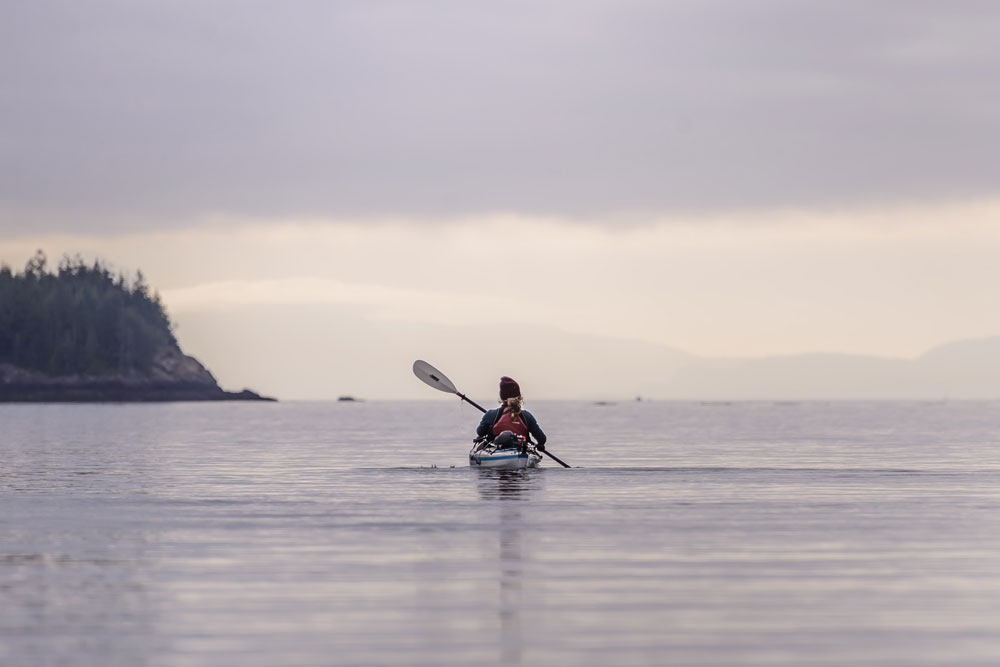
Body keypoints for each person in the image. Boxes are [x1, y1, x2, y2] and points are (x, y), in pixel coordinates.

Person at [476, 376, 547, 450]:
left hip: (495, 451)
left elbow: (480, 432)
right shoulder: (527, 416)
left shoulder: (490, 414)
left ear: (501, 397)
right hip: (520, 450)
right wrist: (540, 445)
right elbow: (542, 439)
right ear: (519, 397)